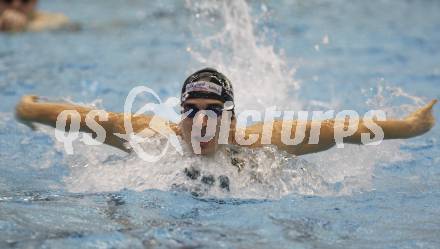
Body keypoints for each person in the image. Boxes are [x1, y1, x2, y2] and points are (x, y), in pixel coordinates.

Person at [15, 68, 437, 158]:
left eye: (213, 111)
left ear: (232, 117)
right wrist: (29, 108)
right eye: (191, 111)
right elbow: (84, 117)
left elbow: (341, 129)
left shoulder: (268, 140)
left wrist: (410, 126)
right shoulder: (151, 136)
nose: (200, 121)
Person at [0, 0, 69, 32]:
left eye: (24, 1)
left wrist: (25, 25)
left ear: (35, 2)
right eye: (8, 0)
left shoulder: (44, 18)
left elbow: (63, 21)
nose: (16, 5)